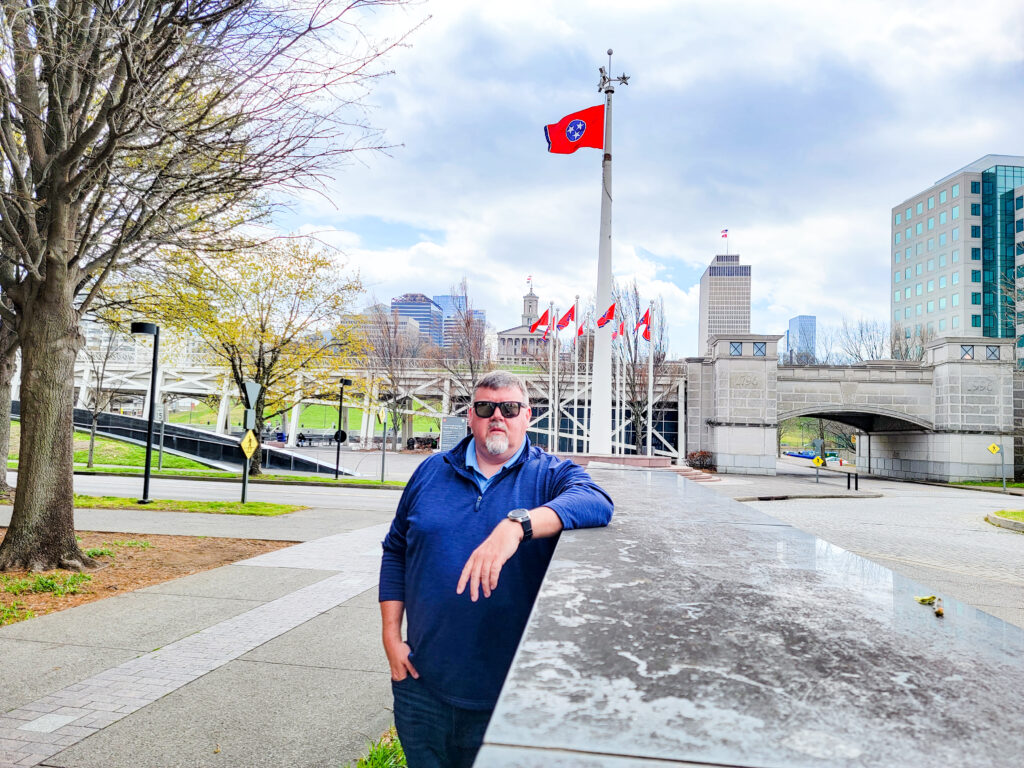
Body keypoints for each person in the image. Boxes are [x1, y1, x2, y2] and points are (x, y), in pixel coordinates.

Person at [379, 370, 613, 767]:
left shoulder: (551, 474)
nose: (497, 417)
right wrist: (390, 636)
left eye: (509, 408)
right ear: (471, 416)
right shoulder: (430, 472)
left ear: (528, 415)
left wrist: (516, 526)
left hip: (508, 694)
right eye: (486, 407)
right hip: (421, 684)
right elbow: (395, 550)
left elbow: (597, 502)